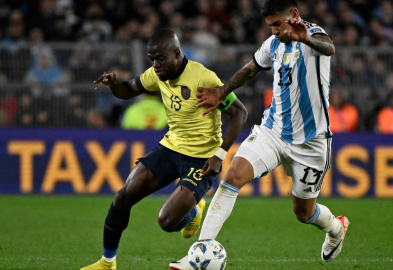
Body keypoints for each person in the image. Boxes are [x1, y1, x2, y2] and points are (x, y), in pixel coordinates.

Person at [170, 1, 349, 269]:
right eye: (271, 26)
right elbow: (251, 68)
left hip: (312, 143)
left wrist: (306, 38)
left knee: (303, 212)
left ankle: (336, 228)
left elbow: (329, 47)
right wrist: (221, 91)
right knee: (231, 178)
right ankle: (199, 253)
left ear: (294, 15)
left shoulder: (313, 35)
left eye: (278, 24)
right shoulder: (273, 44)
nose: (275, 30)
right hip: (273, 132)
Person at [80, 29, 247, 270]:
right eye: (152, 60)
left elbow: (240, 113)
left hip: (201, 159)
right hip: (170, 147)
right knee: (123, 196)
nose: (156, 65)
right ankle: (107, 263)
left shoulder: (204, 77)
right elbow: (128, 90)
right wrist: (115, 83)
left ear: (177, 54)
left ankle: (194, 211)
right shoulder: (158, 74)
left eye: (160, 58)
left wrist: (220, 155)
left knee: (167, 222)